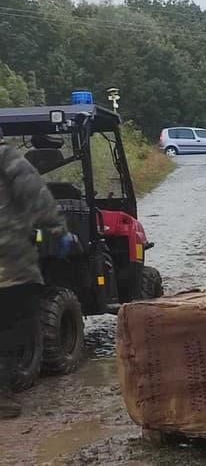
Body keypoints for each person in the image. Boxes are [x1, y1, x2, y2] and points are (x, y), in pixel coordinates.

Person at [0, 128, 73, 418]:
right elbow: (36, 194)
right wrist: (58, 230)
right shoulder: (7, 157)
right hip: (8, 263)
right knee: (13, 326)